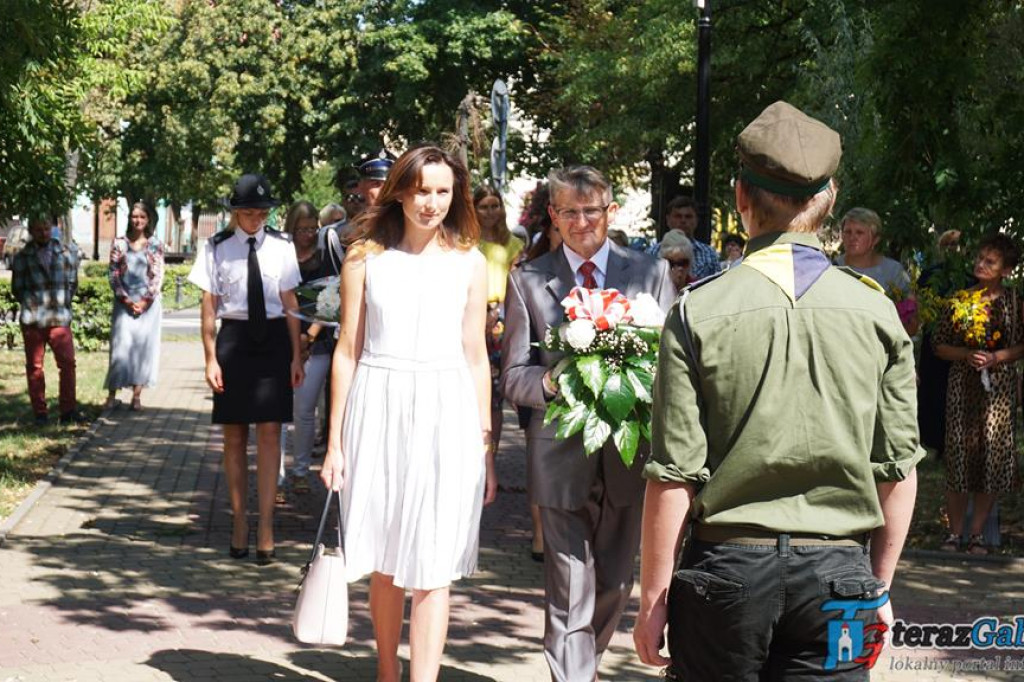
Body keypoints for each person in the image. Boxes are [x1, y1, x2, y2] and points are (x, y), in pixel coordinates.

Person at [635, 101, 923, 679]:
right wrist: (880, 586)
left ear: (741, 196)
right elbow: (897, 468)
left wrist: (652, 598)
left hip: (727, 569)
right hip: (840, 570)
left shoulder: (698, 311)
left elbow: (673, 475)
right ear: (830, 198)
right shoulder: (876, 311)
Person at [320, 145, 497, 682]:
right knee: (384, 557)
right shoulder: (365, 258)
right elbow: (347, 350)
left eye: (443, 191)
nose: (433, 203)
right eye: (422, 190)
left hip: (448, 414)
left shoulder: (470, 262)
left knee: (434, 563)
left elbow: (476, 356)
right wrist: (334, 442)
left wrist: (486, 445)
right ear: (399, 191)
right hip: (378, 407)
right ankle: (386, 671)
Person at [501, 165, 674, 682]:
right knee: (569, 582)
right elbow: (512, 375)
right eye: (569, 212)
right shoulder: (528, 280)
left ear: (610, 212)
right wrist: (553, 384)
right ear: (553, 216)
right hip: (559, 452)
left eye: (591, 211)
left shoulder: (650, 273)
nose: (581, 222)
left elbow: (670, 363)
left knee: (615, 582)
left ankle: (585, 666)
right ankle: (573, 676)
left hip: (627, 451)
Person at [187, 173, 304, 564]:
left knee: (270, 435)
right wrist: (209, 357)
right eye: (248, 213)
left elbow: (290, 304)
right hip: (234, 342)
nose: (255, 219)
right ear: (235, 213)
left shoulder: (282, 247)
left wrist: (296, 355)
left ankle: (267, 524)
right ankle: (239, 520)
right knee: (234, 437)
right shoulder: (216, 248)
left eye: (262, 212)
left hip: (272, 343)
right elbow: (209, 305)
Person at [933, 233, 1024, 555]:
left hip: (998, 392)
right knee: (959, 460)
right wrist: (965, 355)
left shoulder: (1015, 302)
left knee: (991, 462)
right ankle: (954, 534)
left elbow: (1021, 345)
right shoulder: (961, 299)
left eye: (990, 261)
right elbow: (939, 345)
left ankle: (976, 536)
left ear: (1006, 270)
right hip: (963, 388)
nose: (980, 265)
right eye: (979, 258)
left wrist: (998, 357)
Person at [283, 200, 338, 494]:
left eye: (311, 229)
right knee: (278, 413)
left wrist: (308, 337)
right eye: (300, 229)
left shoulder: (323, 258)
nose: (306, 234)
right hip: (282, 340)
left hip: (316, 344)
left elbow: (331, 299)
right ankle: (277, 473)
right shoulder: (282, 257)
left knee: (305, 411)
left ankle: (300, 470)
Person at [11, 214, 83, 425]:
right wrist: (32, 303)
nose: (43, 233)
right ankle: (40, 413)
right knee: (35, 367)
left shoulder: (67, 253)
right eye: (38, 229)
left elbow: (72, 284)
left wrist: (62, 303)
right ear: (31, 230)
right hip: (33, 320)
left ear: (53, 228)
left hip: (59, 318)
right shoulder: (23, 256)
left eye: (46, 228)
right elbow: (18, 288)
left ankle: (68, 410)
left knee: (68, 364)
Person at [474, 185, 525, 463]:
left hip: (501, 321)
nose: (490, 212)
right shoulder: (466, 241)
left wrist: (498, 313)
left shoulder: (513, 244)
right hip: (471, 318)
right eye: (484, 206)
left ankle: (489, 456)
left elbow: (517, 286)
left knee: (495, 393)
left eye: (495, 206)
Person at [103, 201, 164, 411]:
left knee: (142, 348)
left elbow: (157, 276)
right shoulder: (119, 243)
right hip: (124, 303)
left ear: (148, 220)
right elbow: (113, 274)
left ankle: (137, 396)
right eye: (134, 216)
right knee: (120, 347)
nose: (137, 220)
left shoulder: (155, 244)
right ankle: (112, 394)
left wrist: (145, 301)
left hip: (148, 305)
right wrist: (127, 300)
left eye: (142, 217)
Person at [837, 207, 917, 334]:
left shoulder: (894, 272)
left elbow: (911, 325)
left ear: (875, 239)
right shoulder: (832, 268)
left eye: (859, 232)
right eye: (848, 232)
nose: (852, 237)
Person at [657, 195, 719, 280]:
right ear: (668, 219)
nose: (683, 221)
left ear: (696, 220)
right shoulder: (652, 253)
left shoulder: (709, 254)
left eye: (688, 217)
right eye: (678, 216)